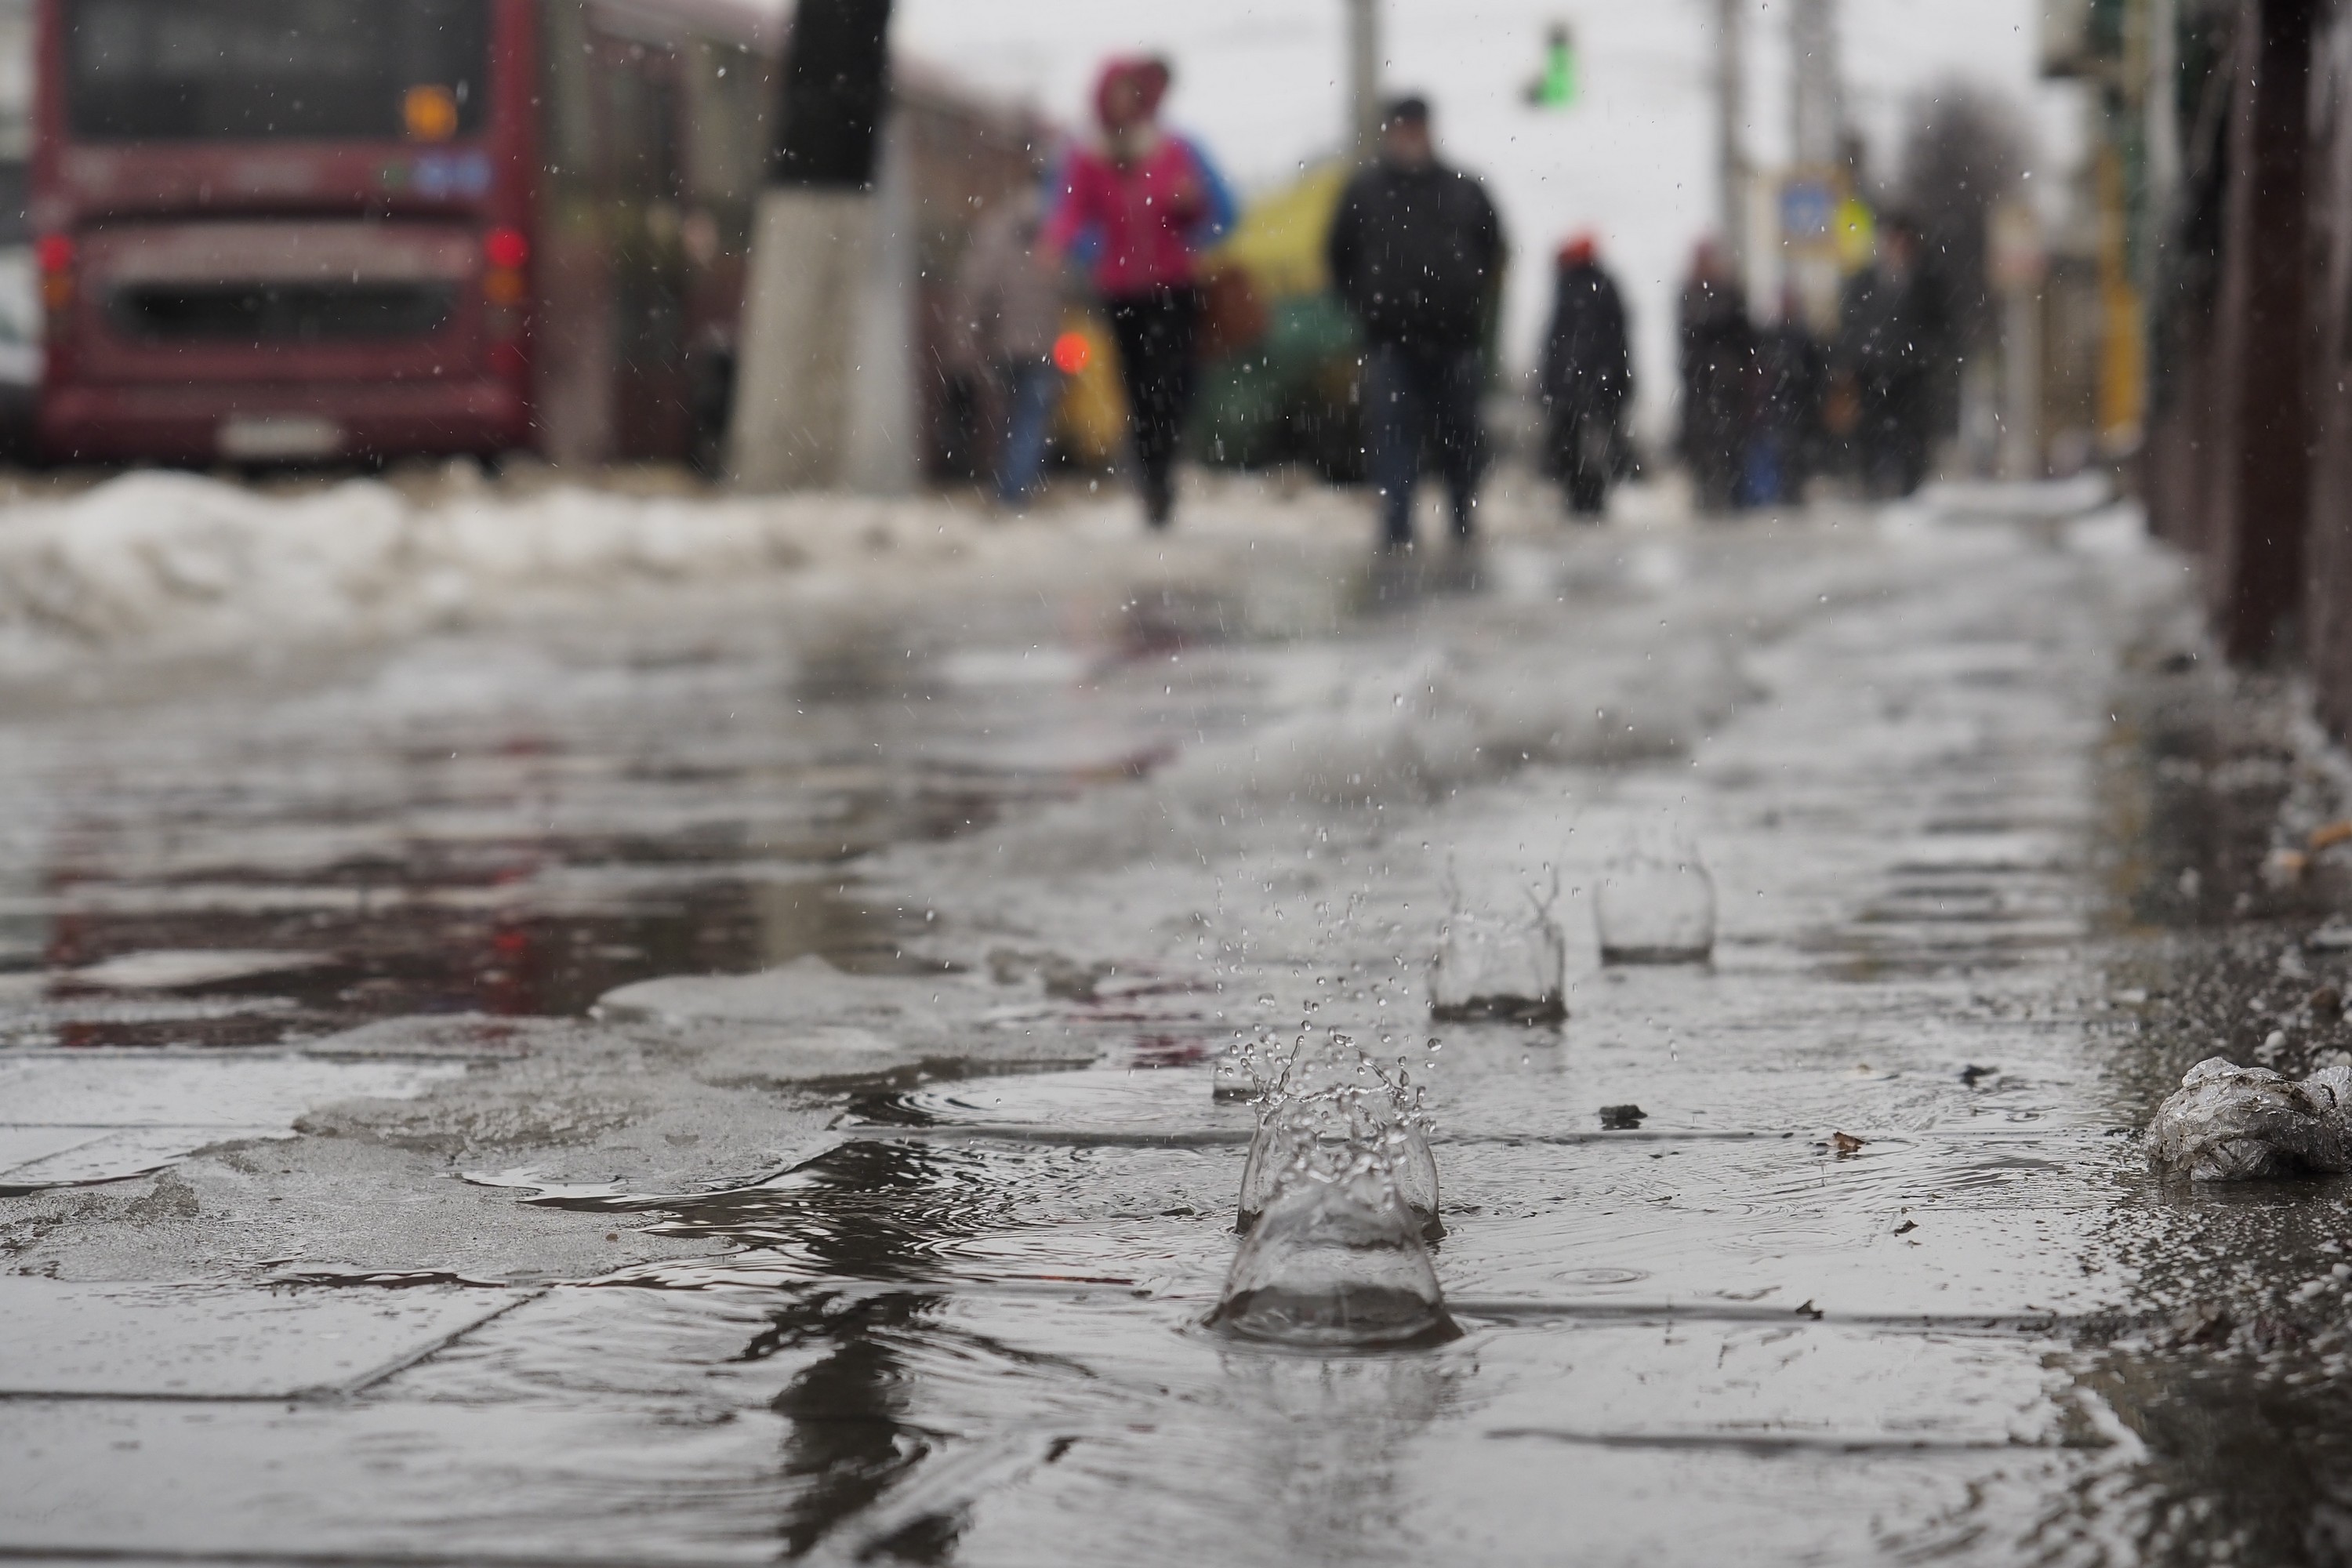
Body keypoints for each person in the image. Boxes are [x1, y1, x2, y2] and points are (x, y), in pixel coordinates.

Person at [1043, 57, 1235, 528]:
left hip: (1173, 286)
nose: (1123, 105)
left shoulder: (1172, 150)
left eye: (1131, 95)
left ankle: (1163, 468)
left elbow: (1208, 210)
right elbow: (1072, 209)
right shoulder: (1090, 158)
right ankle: (1151, 476)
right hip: (1121, 289)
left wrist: (1190, 207)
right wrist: (1059, 242)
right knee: (1137, 386)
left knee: (1171, 382)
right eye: (1115, 96)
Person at [1327, 96, 1506, 553]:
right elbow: (1338, 255)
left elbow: (1494, 250)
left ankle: (1463, 515)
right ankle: (1397, 523)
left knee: (1460, 433)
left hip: (1455, 337)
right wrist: (1367, 306)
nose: (1410, 136)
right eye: (1402, 128)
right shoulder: (1364, 191)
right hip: (1391, 339)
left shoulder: (1464, 189)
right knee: (1392, 433)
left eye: (1417, 127)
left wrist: (1468, 299)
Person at [952, 186, 1067, 507]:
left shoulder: (995, 233)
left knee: (1011, 415)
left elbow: (976, 289)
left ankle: (1010, 487)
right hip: (1043, 345)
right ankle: (1018, 490)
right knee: (1033, 417)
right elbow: (1068, 289)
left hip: (1004, 345)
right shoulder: (1056, 233)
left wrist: (967, 343)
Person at [1538, 233, 1633, 519]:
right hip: (1592, 384)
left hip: (1581, 385)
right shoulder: (1598, 286)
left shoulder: (1571, 288)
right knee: (1589, 447)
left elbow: (1560, 342)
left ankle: (1584, 499)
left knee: (1579, 447)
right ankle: (1589, 499)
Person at [1838, 220, 1932, 497]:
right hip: (1871, 372)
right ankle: (1869, 485)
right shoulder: (1864, 281)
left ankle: (1909, 488)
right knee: (1870, 432)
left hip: (1910, 375)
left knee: (1910, 435)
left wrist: (1923, 356)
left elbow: (1938, 326)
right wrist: (1851, 362)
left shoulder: (1924, 282)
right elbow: (1851, 325)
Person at [1676, 240, 1756, 513]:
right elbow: (1687, 336)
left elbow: (1743, 337)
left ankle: (1731, 494)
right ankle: (1707, 493)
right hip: (1701, 383)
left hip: (1727, 382)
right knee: (1702, 441)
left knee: (1729, 440)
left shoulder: (1729, 293)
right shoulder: (1689, 293)